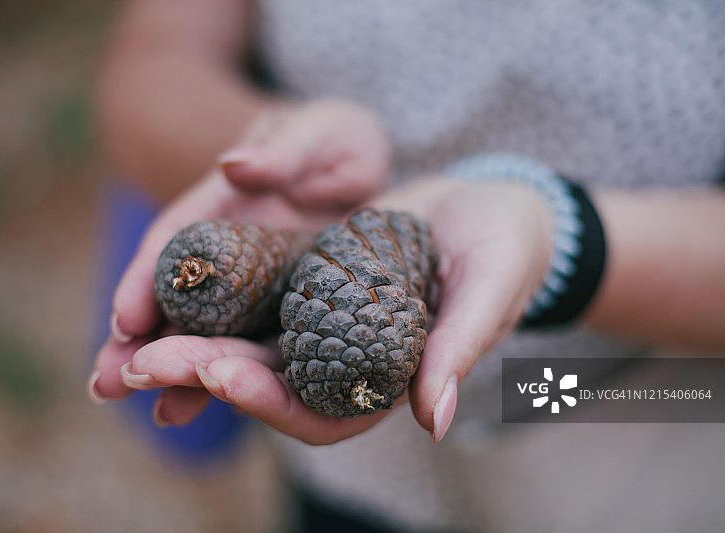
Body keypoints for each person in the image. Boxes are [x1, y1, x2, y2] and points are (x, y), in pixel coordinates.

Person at [89, 1, 725, 531]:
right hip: (356, 478)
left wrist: (559, 237)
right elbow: (158, 56)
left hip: (615, 440)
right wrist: (271, 139)